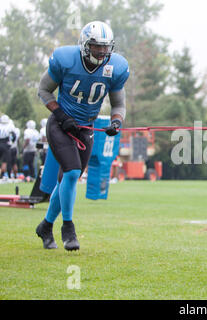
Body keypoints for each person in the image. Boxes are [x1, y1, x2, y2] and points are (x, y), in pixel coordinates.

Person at [35, 21, 129, 251]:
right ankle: (68, 227)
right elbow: (43, 90)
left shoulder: (115, 67)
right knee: (72, 171)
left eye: (105, 47)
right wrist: (60, 114)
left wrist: (116, 122)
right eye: (96, 46)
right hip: (61, 125)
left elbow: (119, 104)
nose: (102, 52)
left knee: (68, 180)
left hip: (87, 127)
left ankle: (45, 226)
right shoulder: (66, 59)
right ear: (85, 44)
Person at [0, 114, 15, 180]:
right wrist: (12, 142)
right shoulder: (10, 126)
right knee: (4, 161)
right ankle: (2, 175)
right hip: (6, 144)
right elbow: (14, 136)